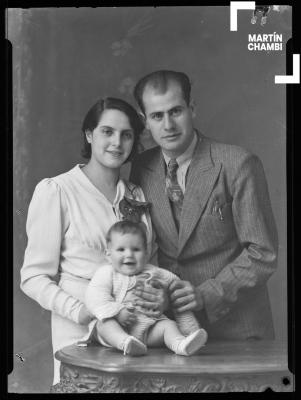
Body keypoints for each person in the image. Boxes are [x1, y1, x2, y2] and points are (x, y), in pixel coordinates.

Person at [20, 97, 162, 385]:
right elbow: (33, 277)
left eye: (126, 135)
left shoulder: (137, 195)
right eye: (107, 132)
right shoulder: (58, 191)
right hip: (80, 335)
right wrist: (81, 311)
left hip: (135, 333)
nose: (116, 143)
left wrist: (157, 297)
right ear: (89, 135)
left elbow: (151, 267)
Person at [130, 70, 278, 341]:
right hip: (172, 332)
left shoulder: (238, 163)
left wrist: (205, 295)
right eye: (157, 116)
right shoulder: (141, 167)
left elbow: (263, 253)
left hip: (239, 331)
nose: (168, 125)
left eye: (176, 111)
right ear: (144, 121)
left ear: (192, 108)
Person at [84, 220, 208, 356]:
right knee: (104, 324)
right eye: (121, 249)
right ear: (108, 255)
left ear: (146, 253)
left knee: (169, 326)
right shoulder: (106, 273)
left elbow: (177, 289)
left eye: (136, 249)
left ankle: (181, 344)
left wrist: (189, 327)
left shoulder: (155, 272)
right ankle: (125, 343)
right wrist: (117, 312)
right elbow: (95, 298)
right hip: (119, 328)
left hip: (149, 329)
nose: (129, 254)